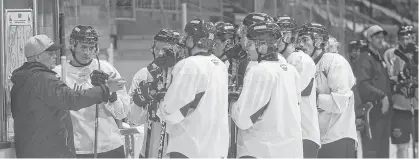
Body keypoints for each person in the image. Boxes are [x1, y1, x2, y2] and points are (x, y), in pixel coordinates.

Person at [11, 34, 124, 158]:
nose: (55, 56)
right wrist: (105, 89)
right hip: (48, 152)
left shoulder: (22, 79)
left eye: (91, 48)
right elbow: (72, 99)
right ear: (38, 57)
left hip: (32, 150)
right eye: (50, 53)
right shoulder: (44, 79)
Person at [53, 25, 130, 158]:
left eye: (91, 48)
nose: (87, 53)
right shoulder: (59, 73)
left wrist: (111, 95)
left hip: (110, 146)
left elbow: (123, 112)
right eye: (83, 47)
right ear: (73, 45)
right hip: (77, 148)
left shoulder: (106, 69)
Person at [156, 19, 229, 158]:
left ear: (191, 40)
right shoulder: (220, 65)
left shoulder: (189, 65)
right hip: (216, 148)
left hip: (189, 148)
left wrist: (162, 100)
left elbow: (172, 111)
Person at [230, 21, 303, 158]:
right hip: (290, 151)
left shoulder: (259, 71)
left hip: (260, 151)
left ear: (263, 46)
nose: (247, 48)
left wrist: (233, 104)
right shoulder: (291, 70)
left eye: (250, 44)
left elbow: (243, 119)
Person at [296, 22, 357, 158]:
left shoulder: (335, 61)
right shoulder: (305, 65)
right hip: (318, 139)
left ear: (318, 41)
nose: (300, 44)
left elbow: (339, 103)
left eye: (305, 39)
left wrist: (313, 97)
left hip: (338, 138)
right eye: (298, 40)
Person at [126, 28, 183, 158]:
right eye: (157, 49)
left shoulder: (184, 75)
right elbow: (133, 118)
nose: (159, 53)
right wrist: (140, 102)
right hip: (151, 150)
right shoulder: (144, 75)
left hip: (180, 149)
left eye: (165, 50)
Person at [275, 16, 321, 158]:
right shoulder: (286, 60)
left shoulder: (300, 59)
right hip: (293, 135)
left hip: (303, 135)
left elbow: (289, 97)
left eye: (275, 36)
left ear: (287, 36)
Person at [357, 25, 392, 158]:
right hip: (372, 112)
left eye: (382, 37)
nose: (380, 39)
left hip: (384, 113)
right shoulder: (365, 58)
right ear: (369, 38)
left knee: (383, 152)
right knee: (372, 152)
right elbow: (363, 84)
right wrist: (382, 97)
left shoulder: (380, 58)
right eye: (377, 37)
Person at [383, 25, 418, 158]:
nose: (405, 40)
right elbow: (387, 77)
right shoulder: (390, 54)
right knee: (401, 146)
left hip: (417, 105)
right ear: (397, 38)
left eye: (408, 37)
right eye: (402, 37)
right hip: (400, 106)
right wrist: (401, 76)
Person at [348, 40, 373, 158]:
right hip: (353, 111)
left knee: (367, 143)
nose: (356, 53)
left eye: (358, 50)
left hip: (366, 109)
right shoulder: (346, 66)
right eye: (354, 50)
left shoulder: (366, 66)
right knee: (354, 143)